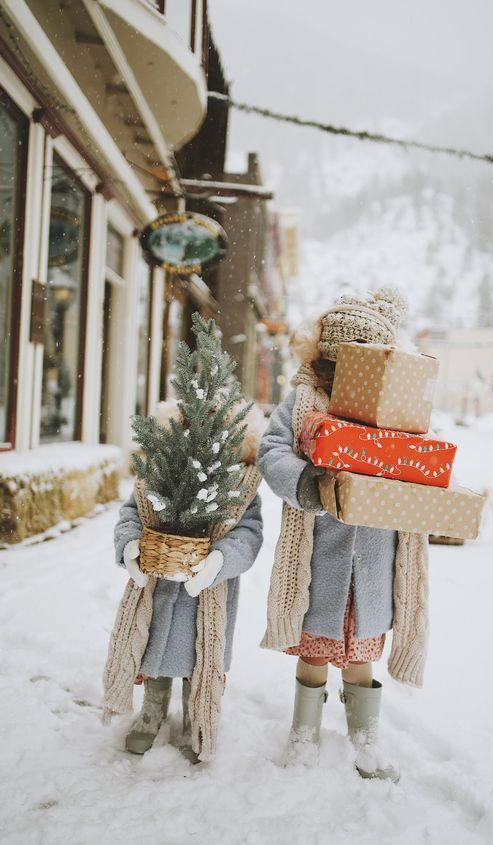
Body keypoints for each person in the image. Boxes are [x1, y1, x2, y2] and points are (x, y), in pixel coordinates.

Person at [258, 288, 429, 782]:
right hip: (320, 555)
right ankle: (304, 735)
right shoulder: (303, 401)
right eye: (335, 363)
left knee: (360, 658)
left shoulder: (397, 404)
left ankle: (366, 740)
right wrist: (307, 484)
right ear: (323, 358)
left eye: (360, 362)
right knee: (314, 651)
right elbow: (272, 450)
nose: (342, 374)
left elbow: (420, 457)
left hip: (375, 559)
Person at [109, 399, 264, 762]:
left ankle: (197, 715)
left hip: (207, 592)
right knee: (155, 649)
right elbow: (132, 512)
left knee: (198, 656)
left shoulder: (239, 483)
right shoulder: (157, 474)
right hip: (160, 583)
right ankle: (152, 710)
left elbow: (249, 533)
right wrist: (131, 545)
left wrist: (221, 561)